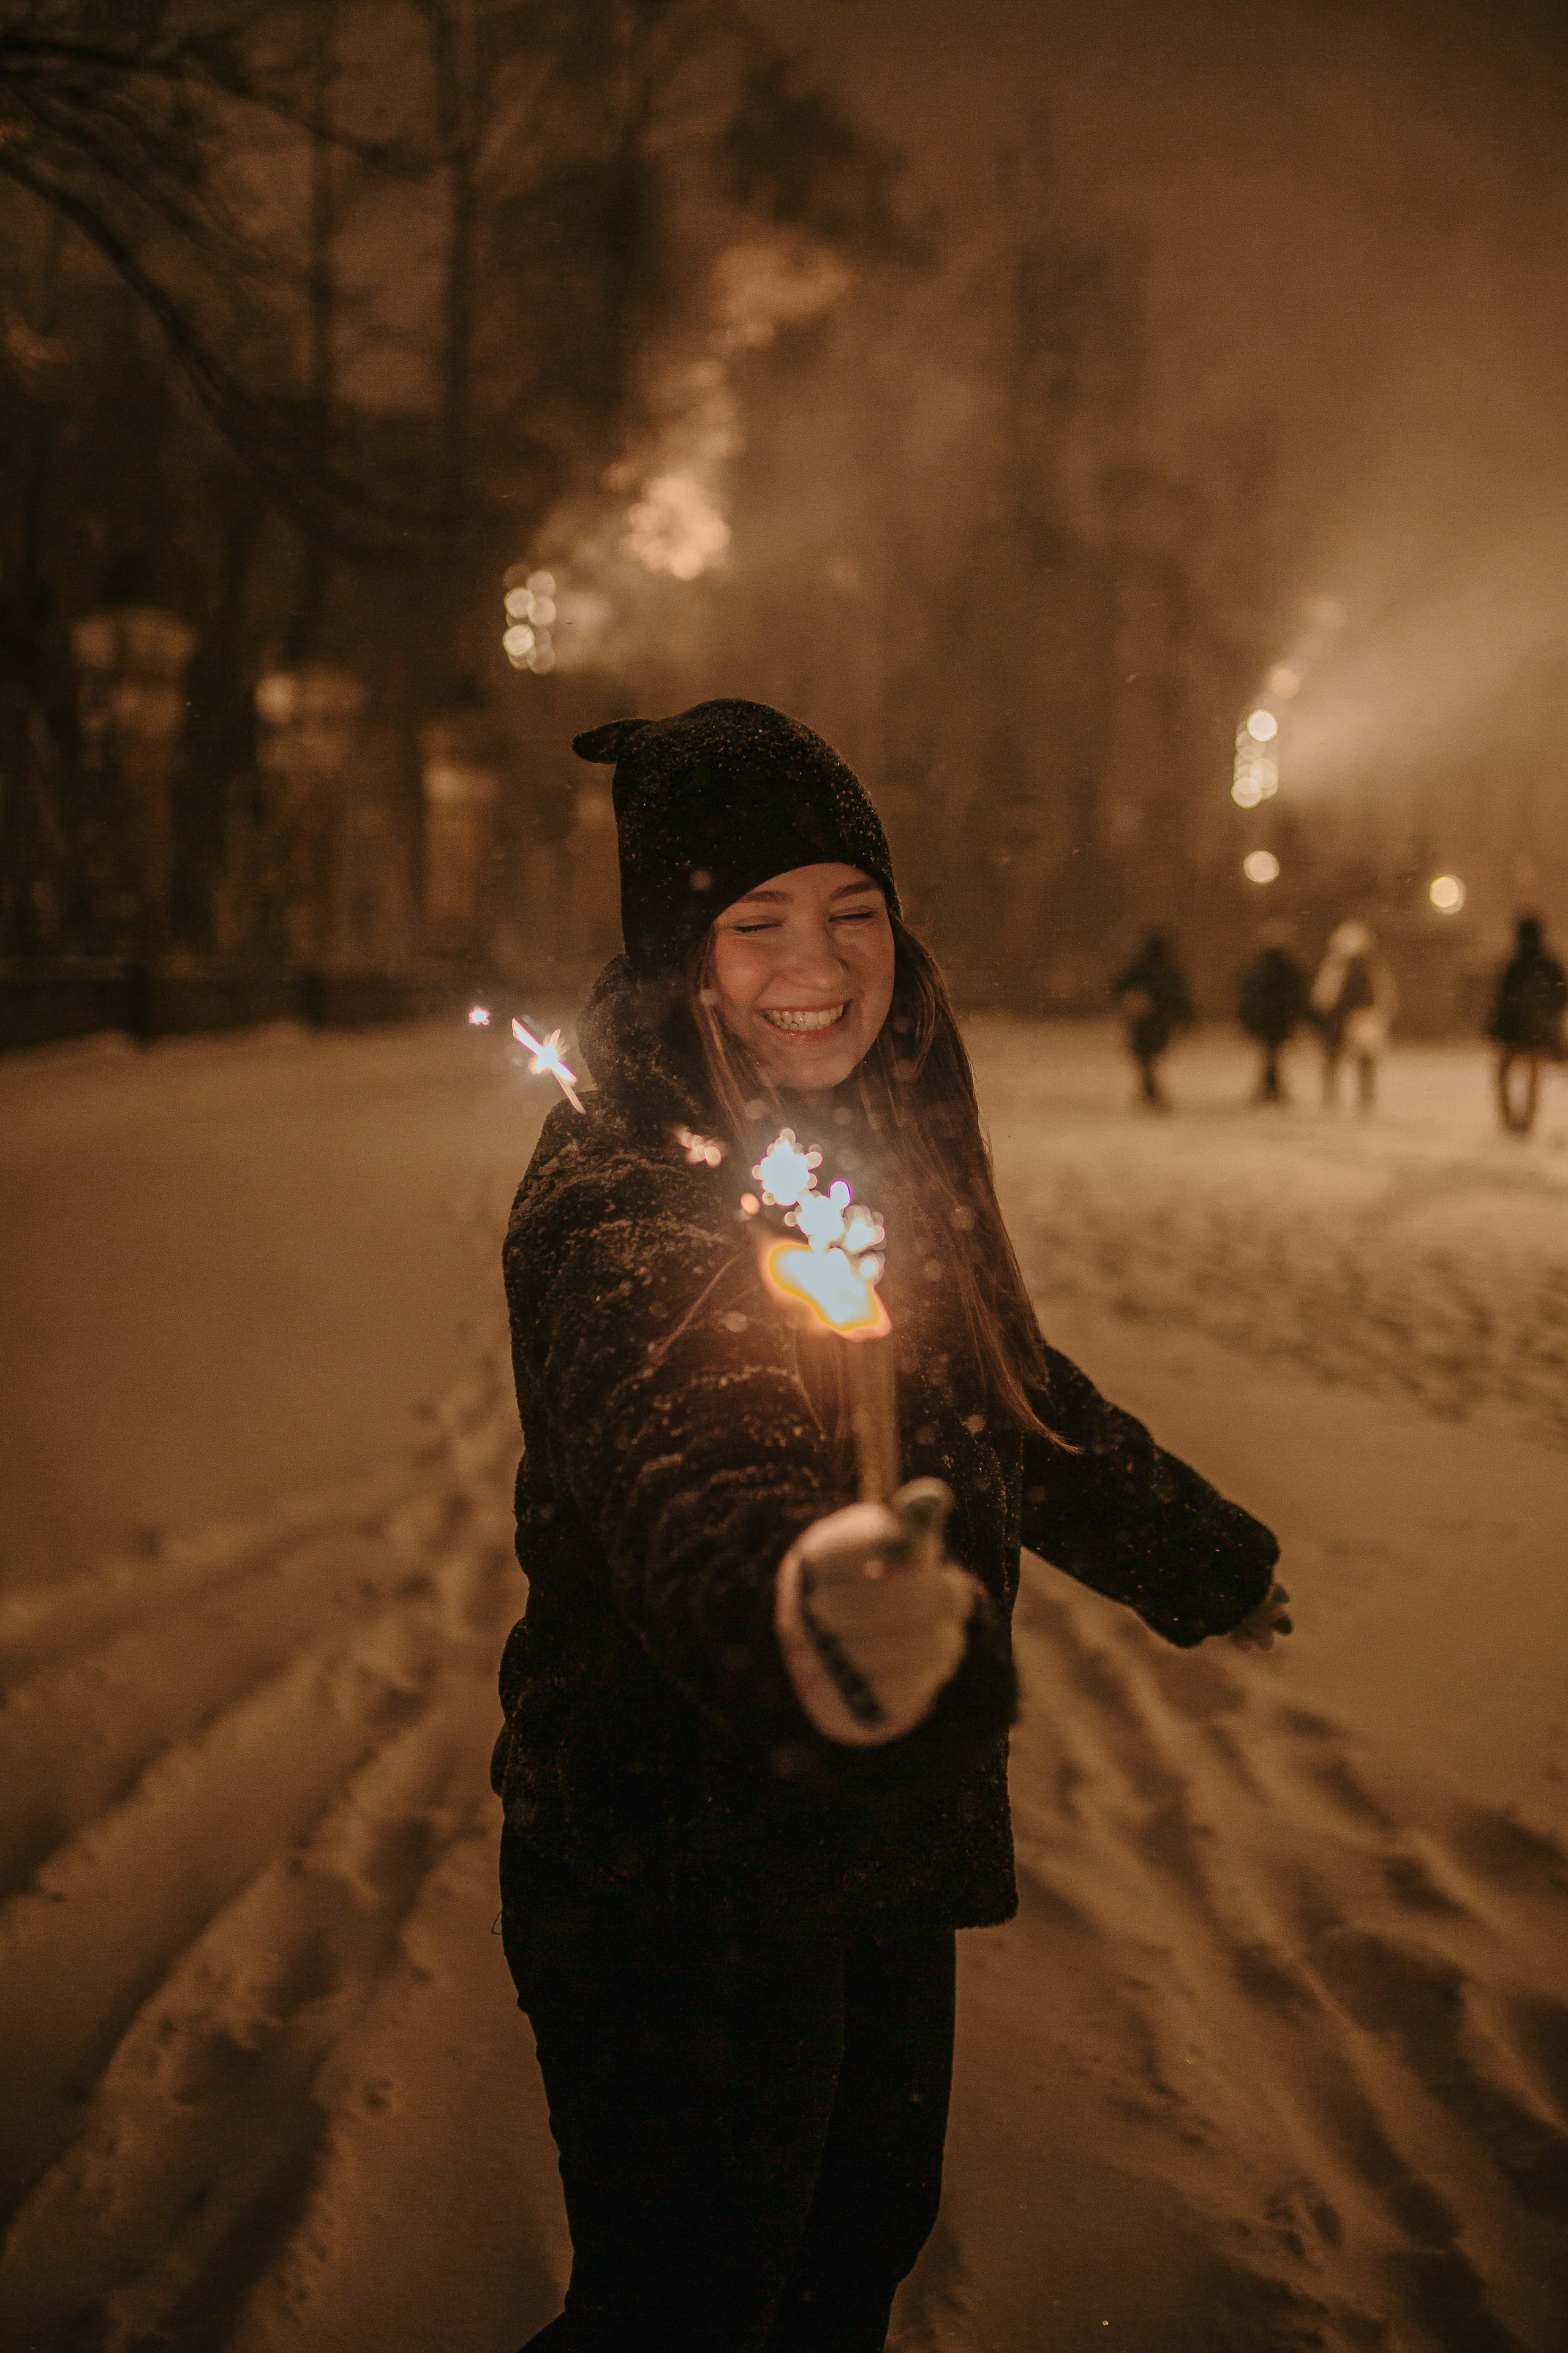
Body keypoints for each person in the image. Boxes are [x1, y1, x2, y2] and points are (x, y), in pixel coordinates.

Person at [492, 700, 1291, 2353]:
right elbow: (685, 1474)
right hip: (680, 1855)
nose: (821, 959)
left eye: (853, 909)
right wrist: (806, 1606)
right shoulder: (628, 1195)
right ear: (678, 952)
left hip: (875, 1830)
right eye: (756, 921)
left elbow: (999, 1390)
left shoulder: (865, 1140)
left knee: (849, 2249)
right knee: (689, 2305)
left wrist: (1197, 1557)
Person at [1487, 913, 1567, 1135]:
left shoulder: (1515, 965)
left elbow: (1501, 1001)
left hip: (1515, 1030)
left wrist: (1496, 1029)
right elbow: (1562, 996)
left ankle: (1511, 1120)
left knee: (1505, 1073)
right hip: (1538, 1031)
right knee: (1533, 1075)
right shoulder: (1549, 965)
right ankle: (1525, 1122)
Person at [1309, 919, 1397, 1110]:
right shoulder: (1341, 966)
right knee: (1345, 1060)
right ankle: (1344, 1098)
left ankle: (1355, 1099)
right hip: (1348, 1018)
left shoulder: (1356, 967)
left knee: (1355, 1061)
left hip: (1357, 1018)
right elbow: (1324, 995)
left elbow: (1323, 996)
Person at [1111, 927, 1194, 1110]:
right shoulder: (1168, 969)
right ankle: (1150, 1091)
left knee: (1144, 1058)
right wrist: (1186, 1019)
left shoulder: (1138, 967)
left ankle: (1149, 1091)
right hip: (1160, 1022)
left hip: (1142, 1020)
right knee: (1150, 1058)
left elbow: (1119, 988)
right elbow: (1180, 997)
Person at [1237, 924, 1309, 1105]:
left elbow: (1249, 993)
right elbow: (1297, 994)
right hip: (1277, 1019)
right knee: (1272, 1054)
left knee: (1271, 1054)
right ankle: (1273, 1089)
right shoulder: (1286, 965)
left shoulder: (1261, 965)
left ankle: (1270, 1089)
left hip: (1268, 1018)